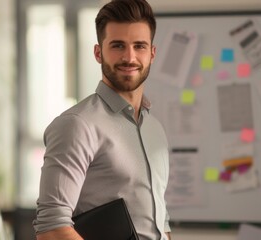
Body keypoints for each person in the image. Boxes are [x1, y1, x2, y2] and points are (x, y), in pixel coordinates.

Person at [33, 0, 172, 239]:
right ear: (98, 53)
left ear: (152, 53)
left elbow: (160, 222)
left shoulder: (155, 129)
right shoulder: (77, 125)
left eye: (139, 46)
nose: (129, 57)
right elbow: (51, 228)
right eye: (118, 46)